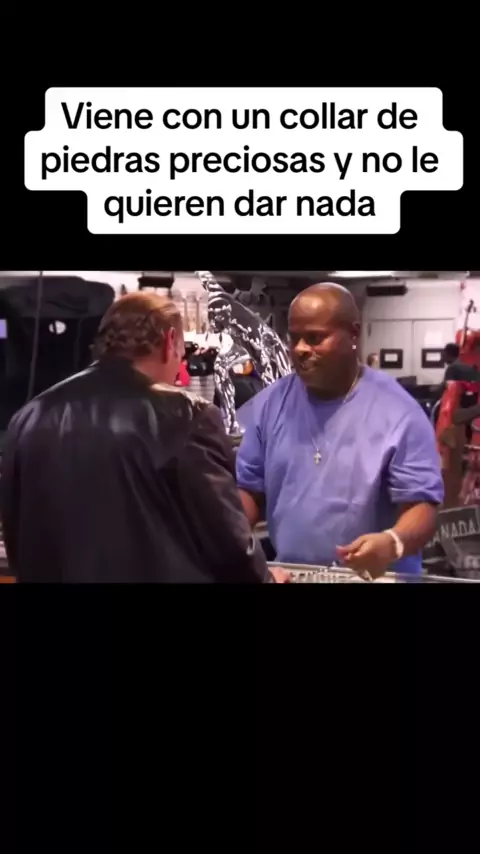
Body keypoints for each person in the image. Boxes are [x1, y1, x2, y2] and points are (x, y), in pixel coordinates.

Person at [1, 292, 287, 583]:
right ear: (170, 341)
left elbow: (16, 533)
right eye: (182, 354)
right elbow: (227, 540)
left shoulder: (29, 415)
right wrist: (266, 579)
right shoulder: (186, 415)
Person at [236, 284, 444, 579]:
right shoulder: (270, 405)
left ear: (353, 334)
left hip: (375, 578)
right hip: (294, 574)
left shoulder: (399, 412)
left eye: (315, 338)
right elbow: (249, 489)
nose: (300, 349)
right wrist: (228, 543)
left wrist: (392, 543)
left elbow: (423, 506)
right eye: (293, 338)